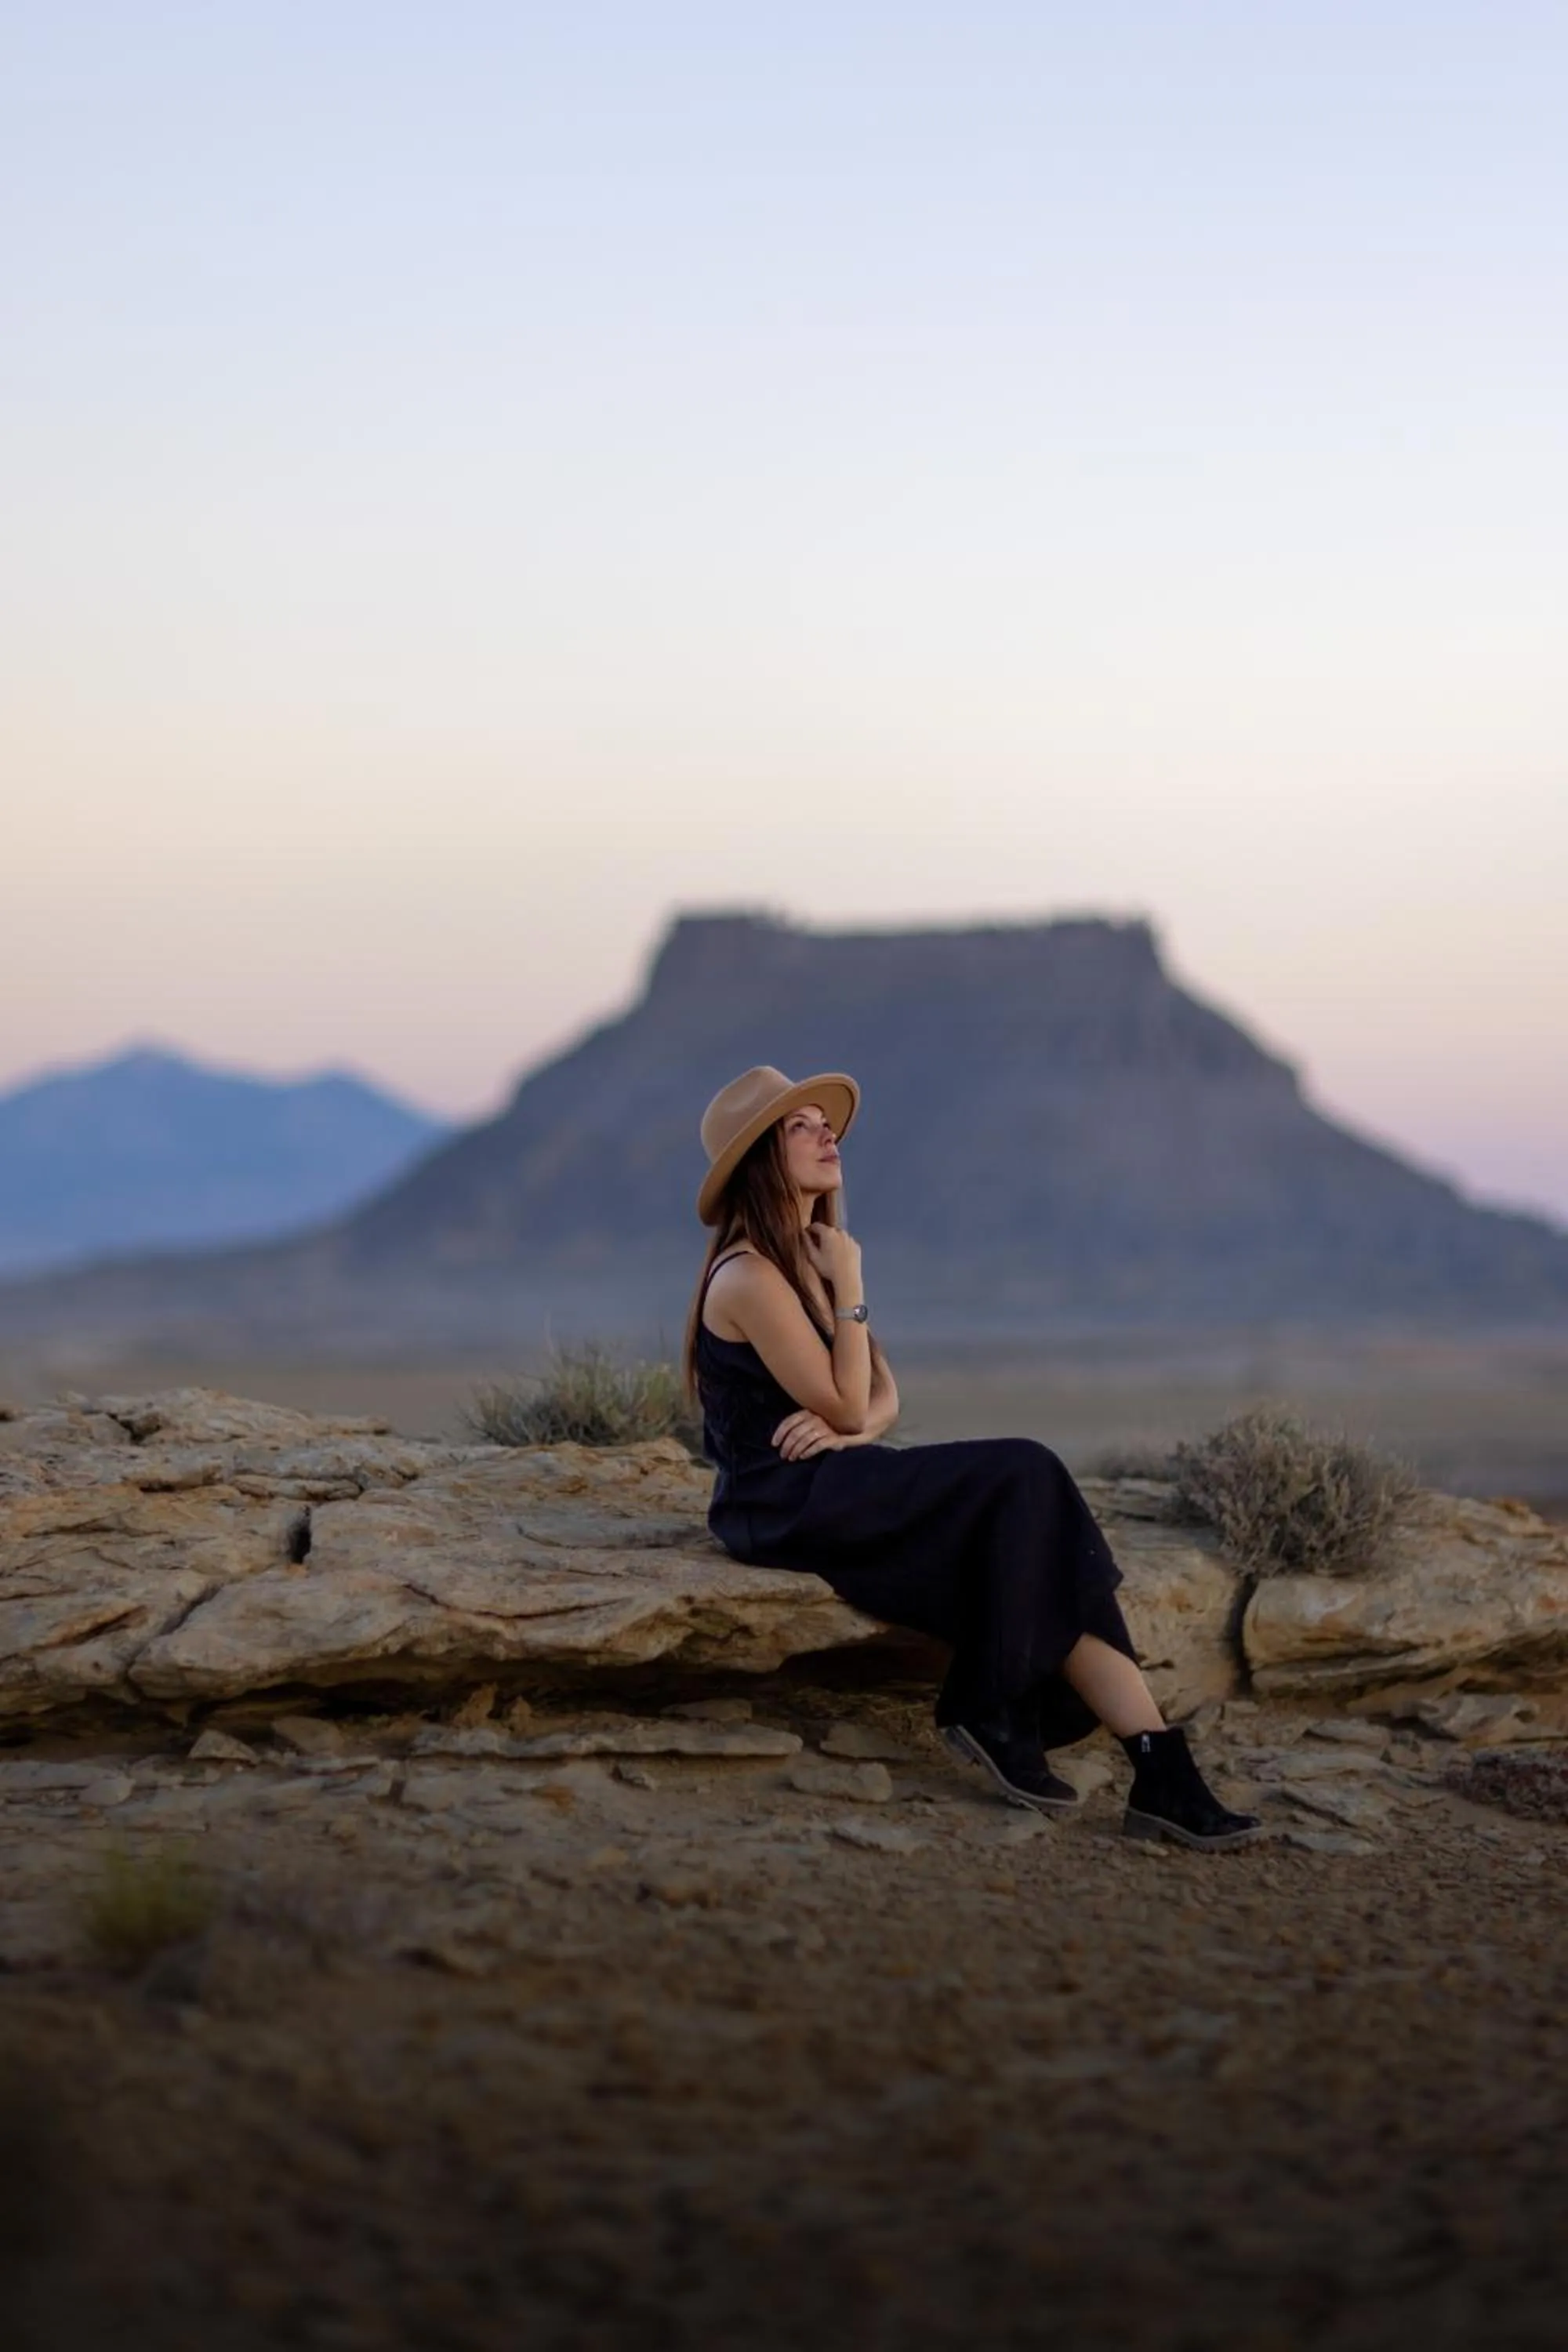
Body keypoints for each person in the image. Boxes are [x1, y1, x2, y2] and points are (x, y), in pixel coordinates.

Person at [683, 1064, 1261, 1853]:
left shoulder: (801, 1263)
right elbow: (854, 1401)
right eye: (799, 1127)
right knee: (1024, 1472)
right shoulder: (751, 1274)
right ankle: (988, 1706)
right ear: (758, 1160)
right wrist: (850, 1290)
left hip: (836, 1479)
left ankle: (1158, 1769)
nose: (827, 1136)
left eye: (826, 1123)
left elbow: (879, 1398)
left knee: (1039, 1541)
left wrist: (849, 1429)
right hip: (780, 1504)